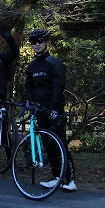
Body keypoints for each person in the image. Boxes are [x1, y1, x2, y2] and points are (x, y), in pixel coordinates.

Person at [24, 29, 77, 192]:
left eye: (40, 41)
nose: (37, 44)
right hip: (39, 109)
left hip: (54, 109)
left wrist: (54, 107)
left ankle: (70, 180)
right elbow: (28, 85)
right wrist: (31, 101)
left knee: (60, 144)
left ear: (47, 42)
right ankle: (56, 178)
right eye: (33, 42)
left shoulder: (54, 63)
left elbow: (59, 86)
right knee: (48, 145)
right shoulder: (31, 65)